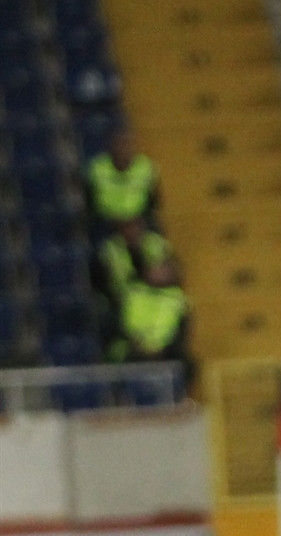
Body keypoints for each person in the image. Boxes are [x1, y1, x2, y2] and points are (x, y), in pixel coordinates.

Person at [110, 256, 191, 387]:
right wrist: (136, 342)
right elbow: (118, 323)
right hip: (132, 347)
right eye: (156, 268)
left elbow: (181, 333)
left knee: (187, 364)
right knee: (118, 356)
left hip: (163, 351)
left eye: (165, 270)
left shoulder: (178, 299)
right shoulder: (133, 292)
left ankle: (178, 396)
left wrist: (160, 349)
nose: (159, 272)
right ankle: (120, 396)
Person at [85, 129, 159, 229]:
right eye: (120, 144)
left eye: (128, 144)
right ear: (111, 147)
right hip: (105, 221)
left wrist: (135, 219)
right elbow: (89, 200)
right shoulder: (97, 168)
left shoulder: (146, 168)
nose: (124, 149)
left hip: (137, 222)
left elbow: (154, 201)